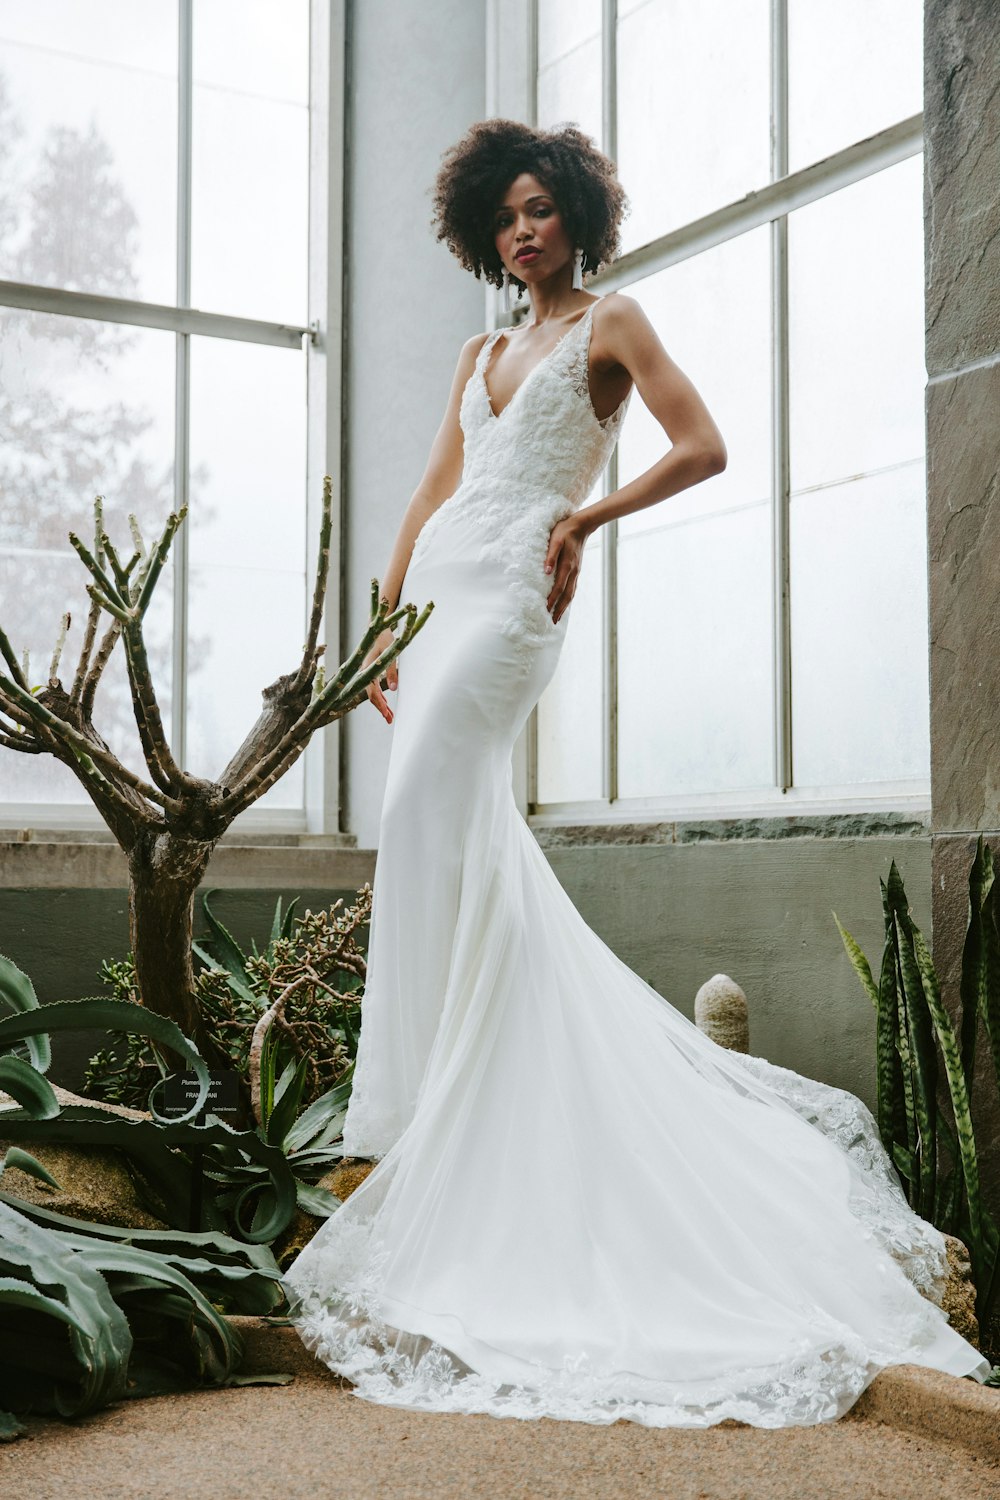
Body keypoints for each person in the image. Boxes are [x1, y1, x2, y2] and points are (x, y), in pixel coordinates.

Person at [283, 118, 991, 1428]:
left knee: (442, 801)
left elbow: (704, 444)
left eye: (542, 209)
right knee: (433, 832)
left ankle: (401, 1136)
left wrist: (587, 519)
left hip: (513, 596)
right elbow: (436, 486)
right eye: (504, 216)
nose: (522, 231)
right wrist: (378, 626)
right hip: (445, 589)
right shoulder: (480, 349)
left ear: (580, 219)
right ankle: (416, 1137)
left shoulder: (614, 325)